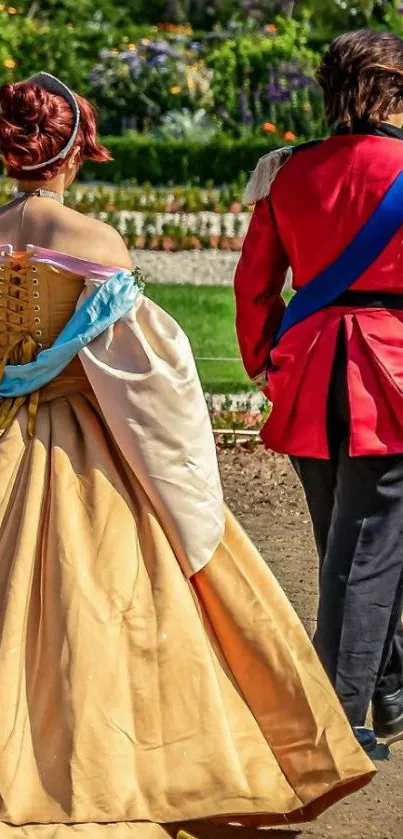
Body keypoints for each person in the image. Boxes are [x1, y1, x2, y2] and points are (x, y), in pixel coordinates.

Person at [0, 72, 373, 837]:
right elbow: (148, 376)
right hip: (79, 444)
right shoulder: (93, 243)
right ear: (74, 151)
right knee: (100, 612)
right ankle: (91, 757)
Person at [235, 28, 403, 763]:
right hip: (390, 370)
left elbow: (254, 283)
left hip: (307, 372)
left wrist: (264, 356)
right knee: (366, 551)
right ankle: (337, 721)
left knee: (348, 539)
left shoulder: (287, 171)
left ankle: (391, 692)